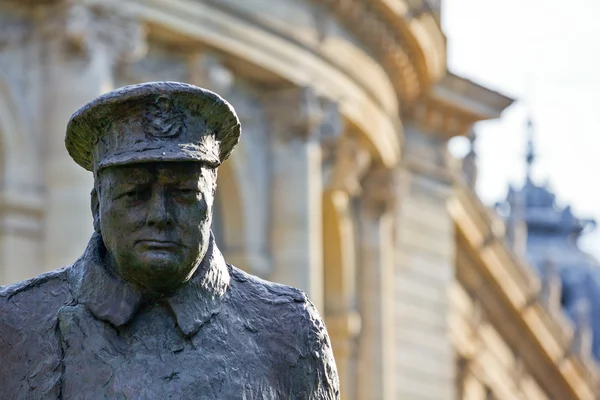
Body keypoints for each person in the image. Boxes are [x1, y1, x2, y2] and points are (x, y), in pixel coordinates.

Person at [0, 82, 339, 399]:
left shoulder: (290, 329)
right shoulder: (15, 322)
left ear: (210, 203)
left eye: (184, 194)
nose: (159, 215)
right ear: (97, 207)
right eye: (135, 194)